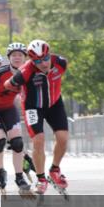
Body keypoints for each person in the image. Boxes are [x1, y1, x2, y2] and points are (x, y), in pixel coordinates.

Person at [8, 40, 70, 195]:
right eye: (37, 61)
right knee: (39, 140)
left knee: (63, 138)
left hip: (55, 103)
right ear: (31, 60)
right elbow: (8, 85)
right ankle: (41, 178)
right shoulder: (25, 71)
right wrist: (20, 92)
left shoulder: (60, 62)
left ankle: (54, 170)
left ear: (49, 54)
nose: (43, 63)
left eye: (45, 58)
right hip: (33, 106)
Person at [0, 53, 32, 195]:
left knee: (17, 142)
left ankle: (19, 178)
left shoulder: (25, 73)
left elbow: (21, 97)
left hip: (9, 108)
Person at [5, 42, 36, 179]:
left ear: (25, 57)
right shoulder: (4, 72)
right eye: (14, 55)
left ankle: (27, 158)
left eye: (20, 55)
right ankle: (24, 159)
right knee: (15, 141)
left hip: (24, 109)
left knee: (22, 140)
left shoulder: (31, 70)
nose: (17, 58)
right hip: (5, 110)